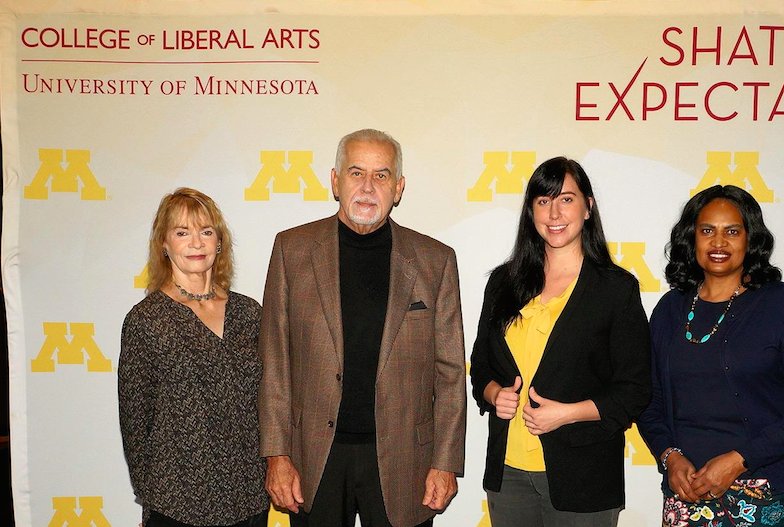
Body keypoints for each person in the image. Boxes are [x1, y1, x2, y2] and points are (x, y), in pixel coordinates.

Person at [257, 129, 466, 527]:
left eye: (382, 175)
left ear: (399, 188)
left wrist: (445, 462)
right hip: (312, 460)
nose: (368, 187)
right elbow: (274, 363)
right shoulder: (292, 250)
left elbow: (452, 374)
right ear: (335, 181)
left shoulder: (435, 261)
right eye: (356, 173)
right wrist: (277, 455)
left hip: (406, 462)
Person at [469, 157, 651, 527]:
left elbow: (635, 390)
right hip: (508, 473)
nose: (554, 212)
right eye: (542, 200)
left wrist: (566, 413)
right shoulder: (504, 282)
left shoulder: (616, 289)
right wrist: (493, 393)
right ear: (531, 210)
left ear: (588, 207)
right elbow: (482, 366)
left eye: (566, 199)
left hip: (584, 475)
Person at [637, 185, 784, 527]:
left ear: (750, 239)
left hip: (762, 490)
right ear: (691, 238)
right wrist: (670, 457)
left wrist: (740, 461)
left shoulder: (781, 304)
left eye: (732, 231)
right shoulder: (670, 309)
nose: (718, 242)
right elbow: (647, 400)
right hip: (687, 491)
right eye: (707, 230)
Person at [119, 188, 269, 527]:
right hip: (177, 502)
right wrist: (153, 499)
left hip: (248, 495)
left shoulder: (249, 313)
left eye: (206, 231)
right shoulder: (146, 320)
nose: (196, 243)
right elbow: (134, 422)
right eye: (182, 232)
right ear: (164, 244)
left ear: (219, 241)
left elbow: (269, 400)